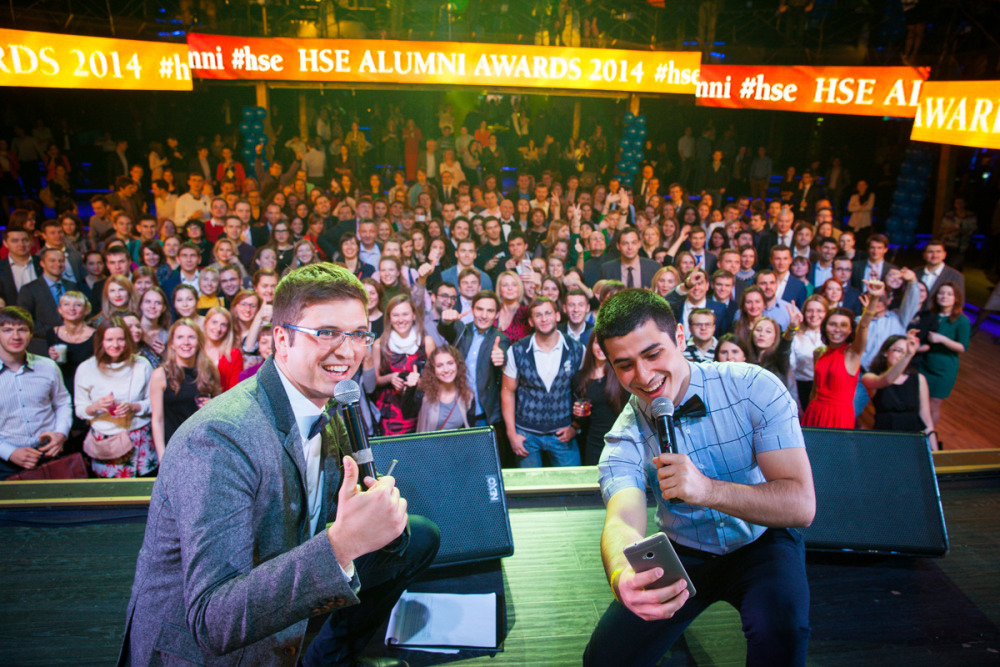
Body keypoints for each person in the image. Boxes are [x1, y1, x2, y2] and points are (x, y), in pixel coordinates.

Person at [121, 263, 440, 666]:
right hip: (201, 655)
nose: (347, 351)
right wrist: (342, 544)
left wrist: (366, 516)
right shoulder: (219, 436)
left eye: (359, 334)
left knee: (416, 537)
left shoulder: (327, 407)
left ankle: (328, 658)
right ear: (282, 339)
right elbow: (212, 620)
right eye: (326, 332)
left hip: (275, 609)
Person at [583, 289, 814, 666]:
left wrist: (707, 490)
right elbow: (621, 520)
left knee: (782, 632)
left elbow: (801, 506)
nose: (644, 376)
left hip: (761, 540)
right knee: (605, 657)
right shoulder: (624, 435)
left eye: (653, 354)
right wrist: (621, 575)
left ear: (679, 337)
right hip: (683, 548)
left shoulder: (753, 387)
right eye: (625, 365)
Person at [502, 297, 584, 468]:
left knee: (574, 483)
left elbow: (584, 391)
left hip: (563, 433)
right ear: (531, 321)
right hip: (526, 435)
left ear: (557, 316)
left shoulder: (576, 349)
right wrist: (511, 433)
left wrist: (575, 427)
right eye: (538, 315)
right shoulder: (517, 350)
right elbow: (507, 391)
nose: (544, 319)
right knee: (529, 485)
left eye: (548, 313)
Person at [74, 316, 155, 478]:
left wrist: (133, 407)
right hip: (105, 441)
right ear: (100, 341)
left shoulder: (142, 365)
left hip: (138, 438)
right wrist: (95, 406)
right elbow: (80, 409)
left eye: (120, 339)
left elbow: (154, 403)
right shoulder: (86, 368)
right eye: (109, 340)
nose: (115, 345)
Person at [0, 306, 73, 479]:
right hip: (5, 463)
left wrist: (60, 434)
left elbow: (63, 403)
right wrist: (9, 452)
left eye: (22, 330)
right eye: (7, 330)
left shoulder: (48, 367)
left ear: (31, 333)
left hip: (49, 455)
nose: (16, 336)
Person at [802, 281, 882, 429]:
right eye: (832, 324)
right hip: (814, 411)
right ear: (825, 327)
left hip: (839, 415)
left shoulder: (852, 353)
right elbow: (814, 390)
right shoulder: (819, 352)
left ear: (851, 330)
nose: (837, 329)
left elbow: (863, 326)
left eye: (843, 325)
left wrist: (874, 298)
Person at [148, 318, 221, 458]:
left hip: (205, 449)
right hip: (175, 451)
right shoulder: (160, 375)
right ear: (172, 344)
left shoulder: (209, 371)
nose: (186, 342)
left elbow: (219, 414)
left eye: (191, 337)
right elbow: (157, 420)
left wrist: (213, 406)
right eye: (180, 337)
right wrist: (163, 456)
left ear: (199, 343)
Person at [862, 332, 938, 450]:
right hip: (885, 440)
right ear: (886, 352)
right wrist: (908, 355)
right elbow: (887, 379)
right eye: (898, 350)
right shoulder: (870, 378)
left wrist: (935, 453)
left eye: (905, 352)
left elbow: (927, 421)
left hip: (913, 439)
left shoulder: (919, 379)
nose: (901, 356)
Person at [372, 294, 435, 435]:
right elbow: (375, 381)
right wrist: (390, 377)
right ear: (389, 318)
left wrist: (419, 382)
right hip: (391, 415)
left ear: (413, 316)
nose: (400, 320)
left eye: (405, 314)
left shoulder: (426, 343)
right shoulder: (379, 345)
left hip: (420, 412)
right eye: (395, 315)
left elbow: (436, 380)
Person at [920, 282, 969, 431]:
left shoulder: (961, 321)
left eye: (949, 294)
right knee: (919, 401)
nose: (944, 296)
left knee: (934, 404)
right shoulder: (929, 315)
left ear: (956, 299)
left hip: (944, 370)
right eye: (941, 293)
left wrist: (943, 339)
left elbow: (962, 347)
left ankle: (927, 436)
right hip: (924, 364)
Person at [574, 330, 627, 466]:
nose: (601, 347)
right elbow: (583, 420)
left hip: (621, 440)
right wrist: (578, 415)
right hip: (594, 441)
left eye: (605, 343)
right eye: (598, 343)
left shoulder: (621, 373)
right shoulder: (581, 377)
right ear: (591, 345)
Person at [416, 345, 474, 432]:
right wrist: (410, 388)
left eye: (450, 363)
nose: (446, 370)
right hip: (429, 441)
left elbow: (471, 428)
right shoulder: (424, 394)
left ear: (457, 365)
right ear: (433, 370)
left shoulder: (468, 395)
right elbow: (407, 413)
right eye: (439, 366)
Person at [789, 295, 828, 410]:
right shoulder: (796, 336)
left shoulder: (833, 337)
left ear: (826, 313)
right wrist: (795, 401)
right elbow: (790, 371)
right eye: (810, 311)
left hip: (826, 389)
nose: (814, 315)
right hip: (802, 388)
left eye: (819, 311)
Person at [203, 306, 244, 392]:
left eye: (223, 325)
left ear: (228, 329)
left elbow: (235, 390)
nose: (218, 329)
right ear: (206, 322)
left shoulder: (234, 354)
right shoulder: (196, 349)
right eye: (214, 322)